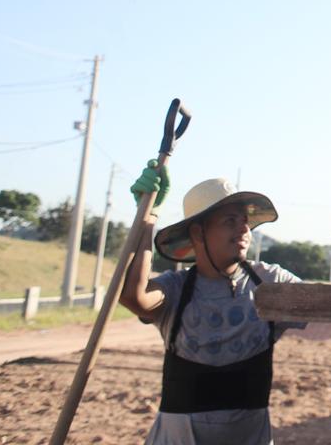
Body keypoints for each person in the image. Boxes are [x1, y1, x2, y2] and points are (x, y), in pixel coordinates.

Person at [120, 161, 301, 445]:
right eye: (230, 221)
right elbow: (134, 296)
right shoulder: (176, 289)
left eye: (245, 221)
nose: (243, 229)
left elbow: (329, 303)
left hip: (249, 436)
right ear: (197, 233)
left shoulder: (271, 281)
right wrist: (147, 216)